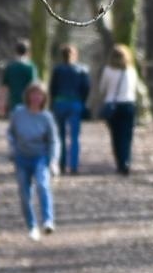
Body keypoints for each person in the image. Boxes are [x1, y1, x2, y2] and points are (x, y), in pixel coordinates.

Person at [7, 81, 60, 241]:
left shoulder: (47, 117)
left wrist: (53, 161)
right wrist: (12, 148)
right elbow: (11, 133)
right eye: (33, 94)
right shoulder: (18, 113)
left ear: (44, 97)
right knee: (24, 192)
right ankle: (31, 225)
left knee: (43, 185)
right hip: (22, 157)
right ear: (28, 96)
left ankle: (47, 220)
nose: (36, 97)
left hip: (40, 157)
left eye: (40, 95)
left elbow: (54, 140)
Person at [48, 44, 92, 175]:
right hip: (75, 103)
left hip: (60, 103)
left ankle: (61, 163)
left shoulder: (57, 70)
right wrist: (83, 102)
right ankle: (73, 165)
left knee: (60, 135)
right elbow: (86, 88)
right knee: (74, 136)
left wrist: (53, 102)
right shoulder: (82, 70)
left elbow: (52, 88)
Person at [95, 44, 138, 175]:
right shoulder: (131, 70)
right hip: (128, 104)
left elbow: (102, 88)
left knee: (116, 136)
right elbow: (134, 88)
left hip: (113, 106)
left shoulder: (108, 70)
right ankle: (127, 161)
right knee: (127, 136)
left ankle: (120, 162)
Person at [0, 39, 38, 119]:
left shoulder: (10, 67)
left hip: (14, 106)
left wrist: (2, 105)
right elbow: (35, 88)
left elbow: (3, 89)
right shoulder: (31, 67)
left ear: (16, 51)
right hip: (29, 106)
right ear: (28, 52)